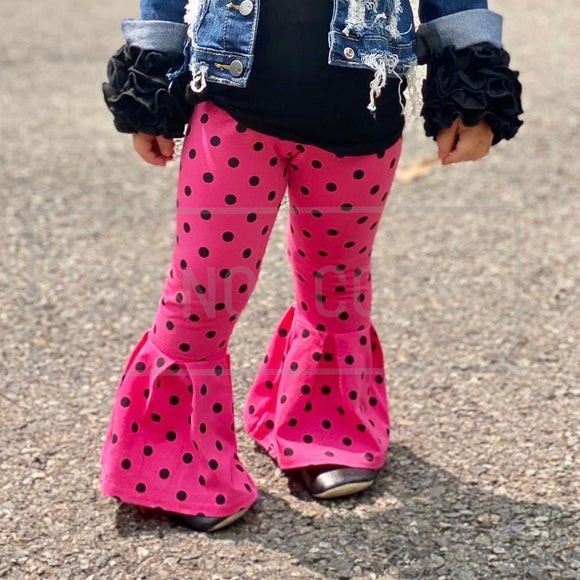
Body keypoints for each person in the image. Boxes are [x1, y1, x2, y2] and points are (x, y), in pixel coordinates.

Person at [100, 0, 523, 532]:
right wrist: (150, 85)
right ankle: (169, 461)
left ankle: (325, 428)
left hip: (360, 119)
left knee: (336, 285)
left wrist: (473, 96)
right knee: (204, 293)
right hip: (234, 114)